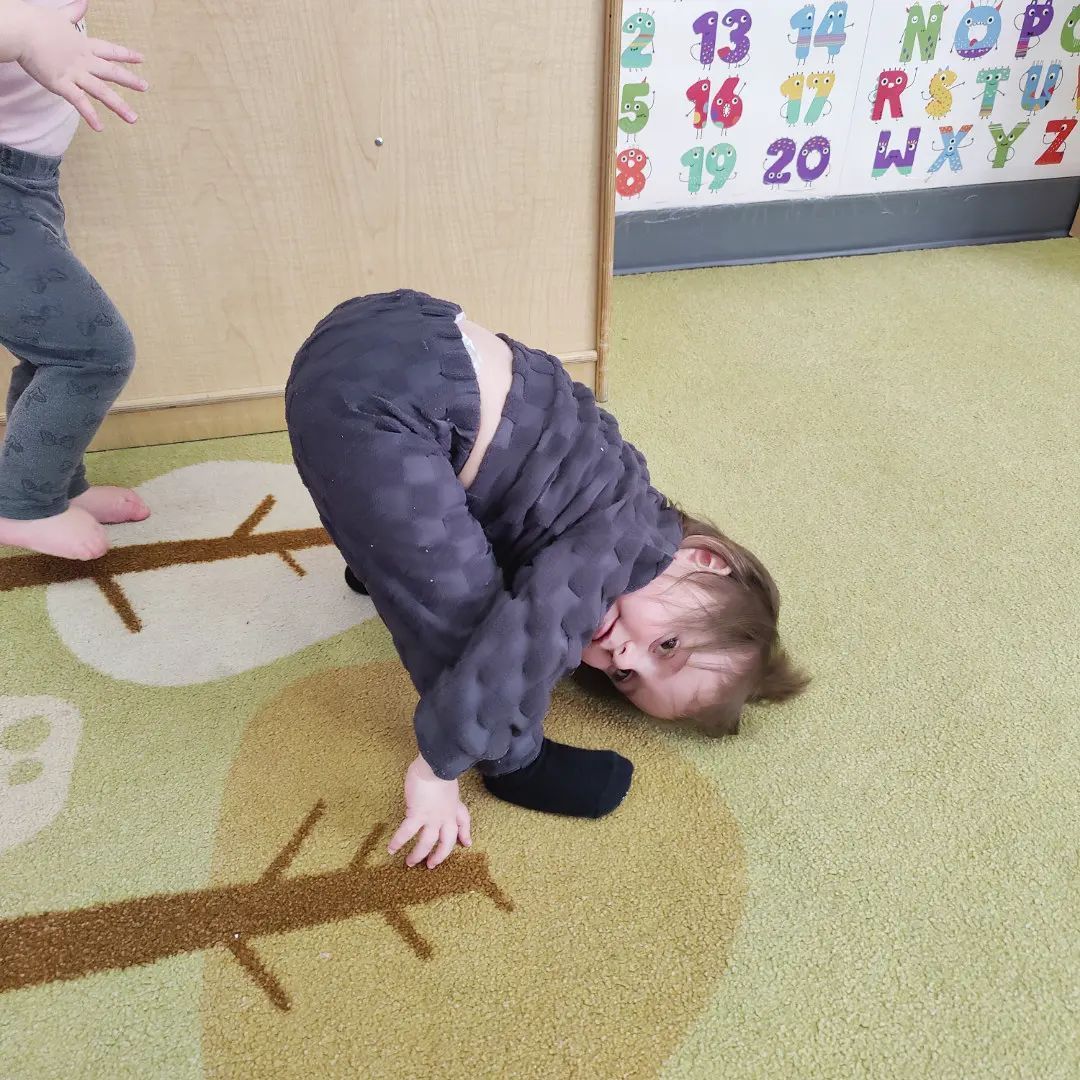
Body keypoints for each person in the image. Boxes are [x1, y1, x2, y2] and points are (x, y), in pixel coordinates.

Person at [286, 289, 809, 870]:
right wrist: (437, 768)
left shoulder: (619, 487)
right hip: (387, 410)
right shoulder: (619, 547)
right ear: (707, 563)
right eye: (668, 645)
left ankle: (374, 560)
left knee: (437, 530)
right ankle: (514, 763)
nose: (623, 657)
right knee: (470, 615)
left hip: (391, 328)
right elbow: (528, 637)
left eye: (624, 678)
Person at [0, 0, 149, 559]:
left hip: (29, 183)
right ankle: (22, 505)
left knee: (53, 352)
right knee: (93, 353)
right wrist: (26, 30)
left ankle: (54, 484)